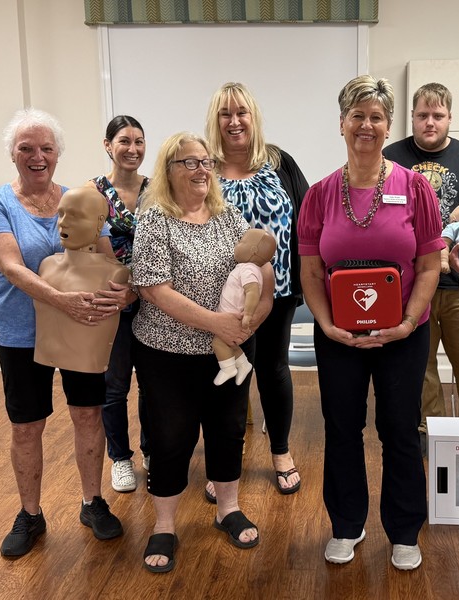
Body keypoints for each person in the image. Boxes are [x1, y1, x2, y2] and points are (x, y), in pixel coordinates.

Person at [298, 75, 444, 571]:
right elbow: (311, 271)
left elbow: (429, 266)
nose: (366, 125)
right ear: (342, 123)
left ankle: (404, 531)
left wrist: (407, 322)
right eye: (357, 116)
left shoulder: (416, 188)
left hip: (404, 333)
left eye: (376, 117)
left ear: (388, 125)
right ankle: (346, 525)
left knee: (399, 430)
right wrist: (326, 325)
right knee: (342, 429)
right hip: (338, 335)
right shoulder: (320, 194)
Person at [0, 108, 131, 558]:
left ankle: (92, 502)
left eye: (46, 148)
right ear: (12, 154)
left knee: (88, 415)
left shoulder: (79, 200)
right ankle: (30, 514)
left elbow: (108, 261)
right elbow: (10, 266)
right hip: (20, 332)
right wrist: (62, 300)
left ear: (57, 153)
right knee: (27, 426)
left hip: (82, 328)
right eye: (26, 148)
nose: (37, 156)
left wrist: (124, 293)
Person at [132, 132, 271, 573]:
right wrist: (216, 323)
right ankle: (165, 525)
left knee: (228, 429)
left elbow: (258, 268)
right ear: (168, 170)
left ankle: (228, 509)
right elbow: (153, 289)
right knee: (171, 437)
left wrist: (254, 316)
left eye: (205, 161)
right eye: (188, 162)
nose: (200, 170)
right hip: (166, 352)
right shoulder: (154, 219)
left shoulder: (229, 217)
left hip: (228, 349)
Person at [205, 82, 309, 496]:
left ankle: (281, 452)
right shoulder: (204, 168)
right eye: (225, 114)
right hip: (223, 296)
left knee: (273, 369)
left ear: (253, 117)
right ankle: (223, 463)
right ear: (216, 121)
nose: (234, 121)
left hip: (277, 291)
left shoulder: (279, 162)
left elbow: (306, 219)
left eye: (241, 112)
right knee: (229, 373)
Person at [383, 82, 459, 452]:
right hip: (411, 287)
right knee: (420, 372)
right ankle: (428, 438)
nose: (429, 122)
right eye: (422, 115)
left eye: (438, 115)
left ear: (449, 118)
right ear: (411, 117)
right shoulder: (391, 157)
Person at [84, 115, 150, 493]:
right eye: (124, 141)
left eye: (139, 141)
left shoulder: (158, 191)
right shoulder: (92, 192)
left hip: (155, 298)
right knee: (115, 386)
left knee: (154, 384)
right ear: (108, 145)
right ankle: (121, 459)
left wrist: (139, 288)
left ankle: (152, 451)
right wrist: (121, 288)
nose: (133, 149)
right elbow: (85, 248)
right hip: (112, 300)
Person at [33, 187, 132, 373]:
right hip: (43, 354)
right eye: (61, 214)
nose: (63, 223)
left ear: (99, 223)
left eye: (75, 216)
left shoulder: (114, 274)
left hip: (86, 362)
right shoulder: (46, 265)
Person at [212, 228, 277, 386]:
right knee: (231, 344)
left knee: (218, 343)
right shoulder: (247, 267)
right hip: (231, 314)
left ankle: (228, 369)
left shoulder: (248, 269)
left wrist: (248, 314)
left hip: (234, 315)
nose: (236, 243)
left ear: (253, 250)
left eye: (241, 241)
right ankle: (243, 364)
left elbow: (252, 292)